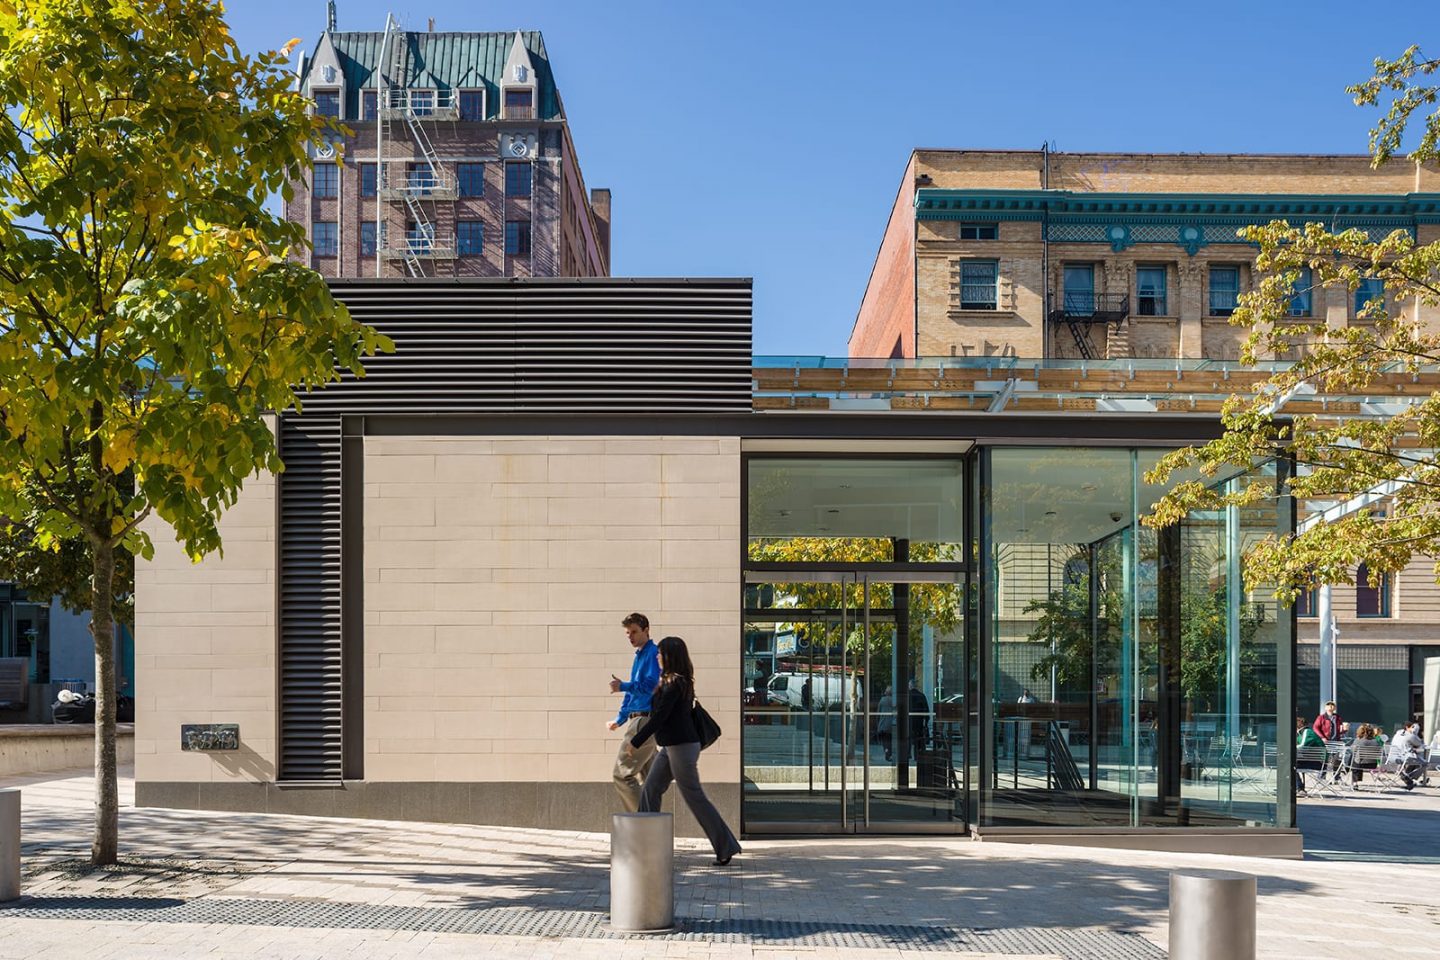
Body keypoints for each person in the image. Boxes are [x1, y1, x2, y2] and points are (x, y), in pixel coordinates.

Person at [627, 635, 742, 866]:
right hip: (672, 746)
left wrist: (635, 741)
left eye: (660, 653)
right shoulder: (673, 681)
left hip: (681, 748)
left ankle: (725, 846)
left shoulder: (674, 683)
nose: (657, 656)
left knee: (694, 796)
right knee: (651, 788)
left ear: (670, 656)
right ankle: (644, 844)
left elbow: (659, 717)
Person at [608, 613, 661, 812]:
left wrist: (623, 686)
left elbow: (649, 686)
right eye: (628, 633)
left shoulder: (652, 653)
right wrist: (620, 719)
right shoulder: (640, 655)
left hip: (644, 722)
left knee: (622, 775)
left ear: (646, 630)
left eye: (635, 632)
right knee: (650, 782)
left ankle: (643, 824)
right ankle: (652, 829)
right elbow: (632, 693)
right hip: (638, 720)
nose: (631, 637)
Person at [1389, 721, 1428, 790]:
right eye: (1412, 727)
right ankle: (1409, 777)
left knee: (1415, 759)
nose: (1414, 729)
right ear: (1407, 727)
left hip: (1392, 757)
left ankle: (1406, 776)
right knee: (1424, 763)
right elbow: (1420, 744)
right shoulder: (1410, 736)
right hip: (1404, 757)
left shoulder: (1398, 733)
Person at [1295, 716, 1324, 791]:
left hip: (1319, 763)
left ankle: (1299, 788)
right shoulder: (1301, 733)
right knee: (1289, 764)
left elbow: (1302, 746)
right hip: (1311, 760)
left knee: (1290, 765)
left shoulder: (1307, 732)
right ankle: (1298, 787)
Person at [907, 679, 930, 762]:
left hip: (909, 721)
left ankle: (907, 754)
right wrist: (926, 722)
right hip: (919, 722)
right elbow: (926, 710)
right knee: (918, 739)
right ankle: (917, 756)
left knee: (908, 738)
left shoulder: (907, 696)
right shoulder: (921, 696)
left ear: (910, 686)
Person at [876, 686, 895, 762]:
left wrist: (878, 723)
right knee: (891, 740)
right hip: (892, 724)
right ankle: (890, 753)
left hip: (883, 724)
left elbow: (878, 713)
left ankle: (887, 753)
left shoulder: (882, 700)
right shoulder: (894, 700)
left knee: (885, 741)